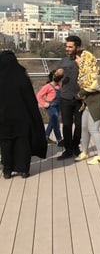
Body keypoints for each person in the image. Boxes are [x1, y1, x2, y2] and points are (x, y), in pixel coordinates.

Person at [0, 50, 47, 179]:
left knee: (6, 143)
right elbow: (30, 99)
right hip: (22, 117)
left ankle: (7, 171)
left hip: (3, 118)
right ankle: (24, 169)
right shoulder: (21, 77)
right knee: (23, 143)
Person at [74, 46, 100, 164]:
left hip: (98, 103)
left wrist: (79, 94)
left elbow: (93, 87)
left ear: (84, 59)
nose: (76, 60)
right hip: (88, 103)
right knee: (84, 128)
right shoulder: (84, 71)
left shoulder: (93, 71)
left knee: (93, 129)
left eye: (77, 58)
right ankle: (84, 152)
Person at [55, 35, 84, 160]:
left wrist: (81, 65)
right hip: (65, 97)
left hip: (80, 98)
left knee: (79, 124)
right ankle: (68, 149)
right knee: (66, 125)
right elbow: (54, 79)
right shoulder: (63, 61)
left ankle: (76, 146)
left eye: (70, 47)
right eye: (66, 46)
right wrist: (57, 74)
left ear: (78, 47)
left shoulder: (85, 60)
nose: (67, 49)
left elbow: (93, 75)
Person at [37, 70, 64, 145]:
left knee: (53, 122)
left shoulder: (58, 86)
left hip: (57, 106)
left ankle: (46, 137)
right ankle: (59, 139)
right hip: (50, 106)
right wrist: (44, 103)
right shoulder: (47, 86)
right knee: (55, 123)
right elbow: (39, 96)